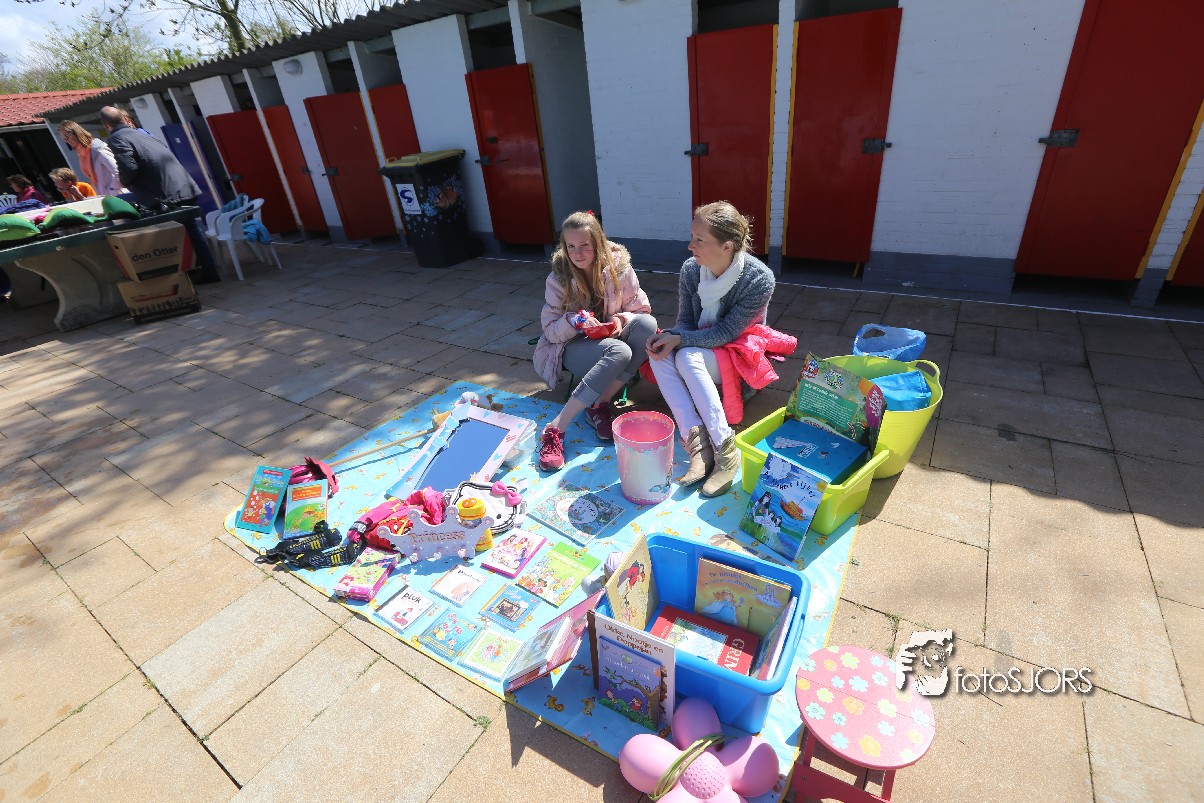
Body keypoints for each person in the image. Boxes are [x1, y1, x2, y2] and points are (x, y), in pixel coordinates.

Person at [645, 201, 777, 497]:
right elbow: (685, 322)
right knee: (659, 354)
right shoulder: (691, 270)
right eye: (692, 237)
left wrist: (680, 340)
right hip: (703, 349)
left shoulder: (759, 279)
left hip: (737, 353)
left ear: (727, 246)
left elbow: (728, 333)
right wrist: (669, 337)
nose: (690, 246)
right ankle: (698, 446)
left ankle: (726, 451)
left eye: (700, 240)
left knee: (687, 355)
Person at [534, 211, 656, 471]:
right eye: (571, 246)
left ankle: (598, 404)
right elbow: (551, 331)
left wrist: (620, 320)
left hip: (612, 340)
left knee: (648, 326)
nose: (577, 253)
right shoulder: (558, 278)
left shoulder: (620, 270)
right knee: (619, 351)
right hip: (571, 347)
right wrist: (574, 321)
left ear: (598, 243)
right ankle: (555, 429)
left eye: (584, 245)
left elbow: (641, 310)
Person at [99, 105, 222, 284]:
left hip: (165, 195)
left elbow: (129, 167)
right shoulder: (142, 134)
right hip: (183, 186)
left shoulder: (117, 138)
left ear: (105, 124)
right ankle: (206, 269)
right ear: (124, 119)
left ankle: (202, 272)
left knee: (177, 233)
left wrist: (123, 182)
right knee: (191, 231)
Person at [57, 120, 125, 196]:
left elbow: (119, 172)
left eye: (66, 136)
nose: (66, 141)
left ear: (76, 133)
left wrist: (112, 189)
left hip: (118, 195)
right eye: (63, 138)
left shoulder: (98, 150)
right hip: (105, 196)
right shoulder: (82, 155)